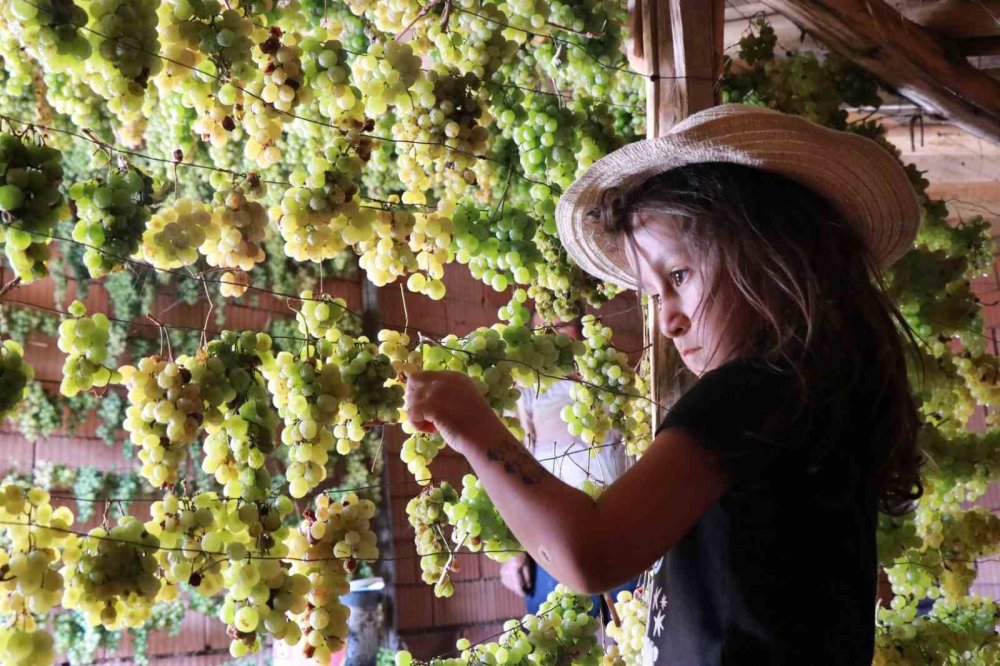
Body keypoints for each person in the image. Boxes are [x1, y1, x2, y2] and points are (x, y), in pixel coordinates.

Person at [405, 104, 924, 665]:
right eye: (654, 295)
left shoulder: (749, 394)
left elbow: (590, 553)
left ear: (769, 255)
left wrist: (477, 431)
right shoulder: (816, 394)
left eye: (678, 277)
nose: (667, 320)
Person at [501, 310, 637, 619]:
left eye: (561, 326)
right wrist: (512, 550)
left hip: (625, 530)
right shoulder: (527, 390)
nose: (553, 338)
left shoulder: (611, 377)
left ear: (582, 329)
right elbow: (508, 469)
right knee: (563, 646)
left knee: (635, 638)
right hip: (554, 540)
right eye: (543, 331)